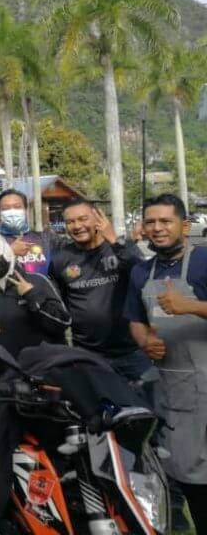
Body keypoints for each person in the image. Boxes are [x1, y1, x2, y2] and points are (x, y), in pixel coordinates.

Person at [125, 193, 207, 530]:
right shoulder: (141, 272)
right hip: (173, 389)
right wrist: (145, 341)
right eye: (151, 222)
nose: (157, 228)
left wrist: (191, 306)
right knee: (185, 476)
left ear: (184, 225)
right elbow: (135, 320)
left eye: (165, 221)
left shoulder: (204, 261)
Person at [48, 199, 149, 382]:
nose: (77, 226)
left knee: (147, 399)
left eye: (83, 219)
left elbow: (143, 275)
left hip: (132, 352)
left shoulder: (121, 248)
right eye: (70, 222)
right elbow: (61, 302)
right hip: (88, 354)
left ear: (98, 219)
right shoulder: (60, 259)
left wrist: (114, 241)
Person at [0, 230, 70, 357]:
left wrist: (33, 296)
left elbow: (63, 323)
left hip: (45, 364)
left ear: (5, 252)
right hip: (8, 367)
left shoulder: (38, 280)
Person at [0, 189, 58, 277]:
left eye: (17, 207)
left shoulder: (46, 237)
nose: (12, 212)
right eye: (5, 208)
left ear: (25, 210)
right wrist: (10, 252)